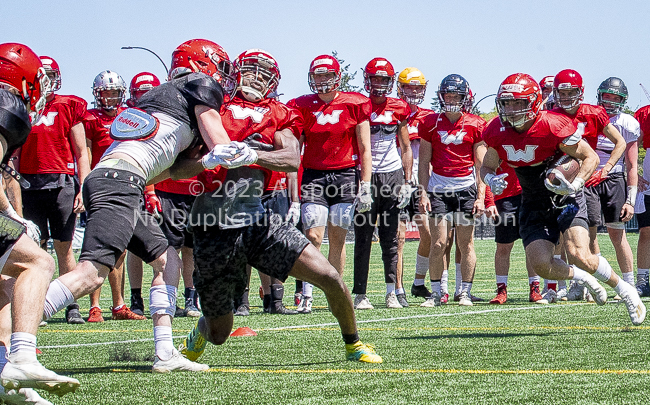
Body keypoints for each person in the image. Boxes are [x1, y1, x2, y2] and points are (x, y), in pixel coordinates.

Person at [40, 38, 238, 372]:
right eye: (218, 67)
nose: (221, 78)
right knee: (91, 275)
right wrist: (240, 152)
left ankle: (164, 354)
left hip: (120, 180)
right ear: (203, 65)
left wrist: (203, 161)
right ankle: (16, 332)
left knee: (166, 259)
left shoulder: (158, 98)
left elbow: (167, 171)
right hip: (120, 182)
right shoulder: (199, 85)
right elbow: (223, 147)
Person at [177, 49, 382, 363]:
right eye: (249, 69)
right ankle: (197, 333)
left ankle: (353, 344)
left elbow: (290, 159)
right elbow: (181, 166)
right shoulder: (214, 106)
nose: (256, 77)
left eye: (263, 72)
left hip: (256, 218)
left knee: (329, 276)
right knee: (219, 331)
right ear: (233, 73)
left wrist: (253, 155)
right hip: (212, 224)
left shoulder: (279, 112)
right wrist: (208, 159)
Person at [481, 72, 645, 325]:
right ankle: (582, 278)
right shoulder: (495, 130)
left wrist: (577, 183)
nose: (512, 110)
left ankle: (625, 290)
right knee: (541, 265)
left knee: (580, 253)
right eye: (507, 103)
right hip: (533, 202)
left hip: (565, 198)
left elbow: (589, 157)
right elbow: (487, 166)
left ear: (534, 102)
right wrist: (490, 180)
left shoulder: (552, 124)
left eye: (519, 103)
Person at [0, 42, 80, 400]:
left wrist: (12, 215)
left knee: (6, 282)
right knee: (39, 261)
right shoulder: (6, 107)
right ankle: (22, 357)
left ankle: (6, 376)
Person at [287, 54, 372, 313]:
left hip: (345, 174)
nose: (322, 81)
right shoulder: (301, 106)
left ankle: (335, 291)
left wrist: (365, 185)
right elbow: (294, 150)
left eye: (326, 75)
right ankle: (307, 293)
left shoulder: (355, 104)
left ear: (337, 77)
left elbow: (365, 148)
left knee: (338, 237)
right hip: (314, 174)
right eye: (318, 75)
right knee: (312, 235)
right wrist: (293, 195)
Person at [14, 55, 90, 325]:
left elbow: (82, 152)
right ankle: (37, 303)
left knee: (64, 248)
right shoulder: (23, 107)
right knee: (35, 247)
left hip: (61, 183)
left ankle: (71, 305)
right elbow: (15, 153)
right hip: (28, 184)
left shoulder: (69, 105)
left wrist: (85, 187)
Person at [550, 69, 627, 301]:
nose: (565, 97)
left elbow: (620, 142)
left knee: (587, 238)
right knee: (560, 237)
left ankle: (594, 283)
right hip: (558, 181)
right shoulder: (550, 115)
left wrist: (606, 168)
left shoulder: (594, 113)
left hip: (583, 183)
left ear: (580, 92)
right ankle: (573, 284)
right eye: (561, 92)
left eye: (571, 91)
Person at [417, 74, 487, 307]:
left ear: (464, 97)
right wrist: (423, 192)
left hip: (465, 188)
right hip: (438, 188)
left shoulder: (476, 124)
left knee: (465, 244)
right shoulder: (429, 123)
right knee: (439, 243)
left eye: (455, 95)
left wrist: (481, 196)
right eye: (448, 95)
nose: (451, 99)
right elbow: (424, 161)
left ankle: (464, 291)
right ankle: (438, 292)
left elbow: (481, 165)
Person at [82, 70, 146, 322]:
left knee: (119, 249)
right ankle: (94, 306)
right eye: (105, 93)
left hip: (125, 184)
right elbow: (85, 155)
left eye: (114, 93)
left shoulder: (128, 117)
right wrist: (84, 186)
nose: (109, 98)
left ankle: (119, 305)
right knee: (97, 248)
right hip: (100, 186)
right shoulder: (90, 119)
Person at [351, 58, 412, 310]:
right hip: (365, 175)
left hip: (392, 175)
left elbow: (406, 147)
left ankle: (390, 293)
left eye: (384, 79)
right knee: (362, 237)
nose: (379, 84)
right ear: (367, 80)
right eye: (375, 78)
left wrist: (408, 182)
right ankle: (360, 294)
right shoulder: (357, 105)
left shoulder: (399, 107)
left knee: (391, 238)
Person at [582, 77, 638, 298]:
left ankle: (629, 283)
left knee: (618, 234)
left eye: (616, 98)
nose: (611, 101)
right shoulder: (590, 116)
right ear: (599, 96)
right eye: (607, 96)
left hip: (614, 179)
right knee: (590, 234)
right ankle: (597, 282)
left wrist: (630, 200)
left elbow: (632, 165)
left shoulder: (628, 122)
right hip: (589, 179)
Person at [395, 67, 434, 305]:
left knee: (430, 236)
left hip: (422, 182)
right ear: (399, 87)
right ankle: (398, 289)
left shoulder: (429, 116)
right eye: (409, 86)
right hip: (396, 180)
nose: (414, 91)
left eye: (418, 87)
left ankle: (418, 283)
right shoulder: (392, 112)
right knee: (398, 238)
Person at [634, 104, 650, 297]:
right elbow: (630, 146)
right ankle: (643, 280)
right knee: (646, 231)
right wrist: (634, 176)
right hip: (648, 186)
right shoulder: (645, 114)